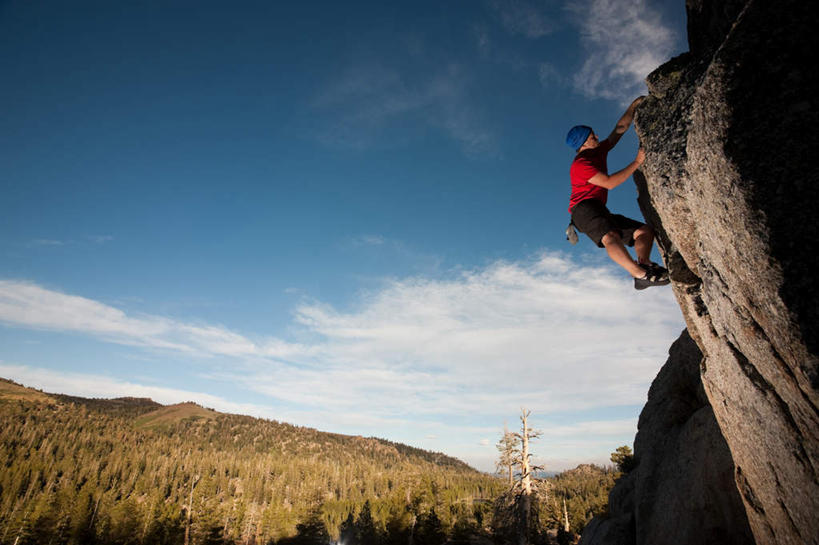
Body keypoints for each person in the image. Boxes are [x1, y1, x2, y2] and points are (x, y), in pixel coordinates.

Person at [566, 96, 669, 290]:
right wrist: (637, 162)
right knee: (610, 236)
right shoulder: (581, 164)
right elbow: (610, 183)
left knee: (644, 231)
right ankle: (640, 274)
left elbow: (618, 130)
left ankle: (644, 264)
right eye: (592, 137)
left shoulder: (597, 151)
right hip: (583, 209)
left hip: (599, 209)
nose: (596, 137)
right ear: (583, 143)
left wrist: (633, 106)